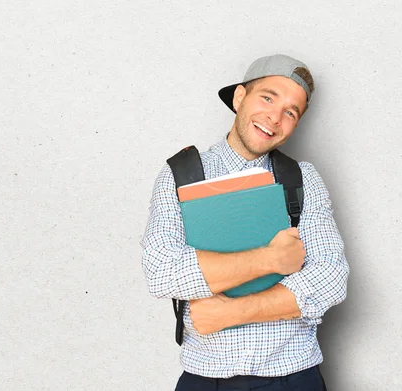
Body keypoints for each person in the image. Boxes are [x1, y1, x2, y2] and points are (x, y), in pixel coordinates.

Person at [141, 54, 349, 391]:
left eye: (290, 112)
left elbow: (330, 279)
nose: (275, 117)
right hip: (206, 379)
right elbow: (161, 272)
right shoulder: (180, 174)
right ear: (240, 98)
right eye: (267, 97)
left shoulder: (302, 179)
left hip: (294, 378)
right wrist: (272, 260)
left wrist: (230, 313)